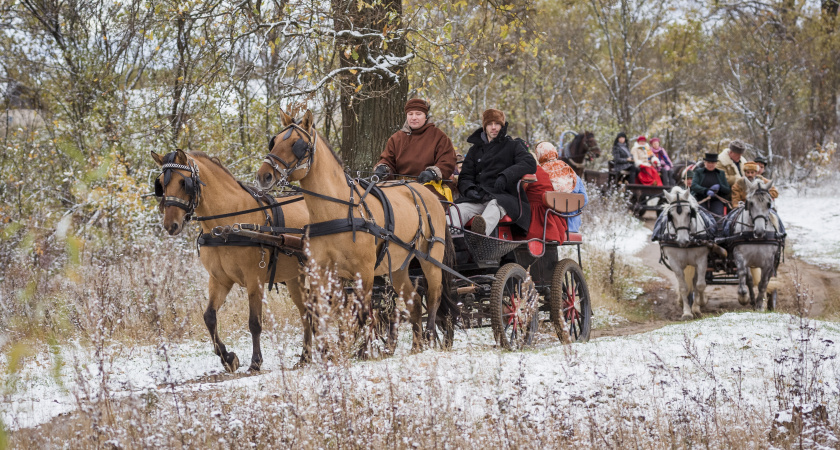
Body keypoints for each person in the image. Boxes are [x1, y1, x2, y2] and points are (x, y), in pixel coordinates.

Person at [453, 108, 537, 236]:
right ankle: (451, 241)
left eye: (497, 124)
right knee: (456, 210)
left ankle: (480, 235)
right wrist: (469, 189)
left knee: (494, 207)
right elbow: (465, 176)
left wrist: (505, 176)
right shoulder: (474, 150)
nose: (494, 127)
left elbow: (529, 163)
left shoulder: (512, 145)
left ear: (502, 126)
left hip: (503, 197)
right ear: (484, 126)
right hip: (478, 197)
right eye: (490, 124)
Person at [373, 98, 457, 200]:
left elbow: (447, 162)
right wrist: (383, 168)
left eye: (418, 114)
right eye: (410, 114)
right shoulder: (396, 138)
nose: (414, 117)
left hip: (428, 187)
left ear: (425, 116)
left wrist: (432, 173)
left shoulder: (439, 137)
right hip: (399, 187)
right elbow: (388, 160)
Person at [534, 141, 587, 232]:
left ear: (539, 155)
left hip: (551, 228)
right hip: (573, 227)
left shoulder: (540, 174)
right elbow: (584, 200)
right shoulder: (571, 172)